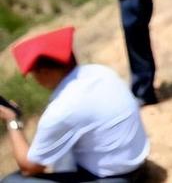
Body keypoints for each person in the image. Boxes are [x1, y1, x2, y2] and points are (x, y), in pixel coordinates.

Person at [0, 27, 149, 182]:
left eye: (34, 74)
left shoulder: (63, 108)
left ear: (44, 72)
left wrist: (12, 120)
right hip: (136, 165)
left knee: (12, 181)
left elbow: (29, 168)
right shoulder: (100, 72)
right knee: (58, 146)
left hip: (112, 178)